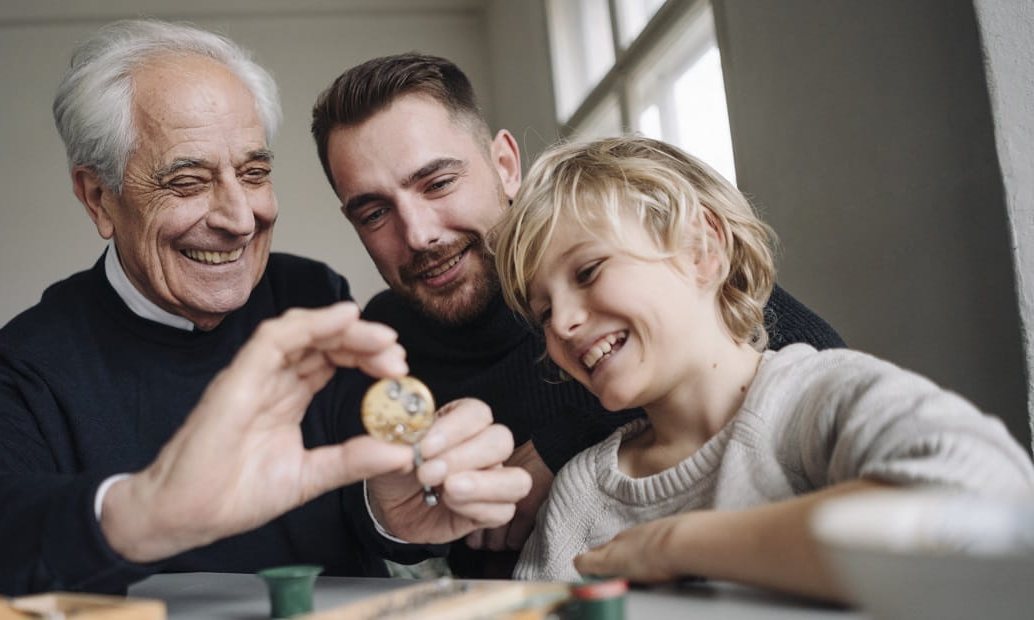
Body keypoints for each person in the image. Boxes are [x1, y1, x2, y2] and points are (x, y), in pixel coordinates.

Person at [0, 20, 531, 596]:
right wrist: (142, 512)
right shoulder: (32, 363)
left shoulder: (312, 297)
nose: (239, 219)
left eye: (253, 173)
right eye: (188, 181)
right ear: (99, 199)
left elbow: (362, 506)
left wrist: (391, 514)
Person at [310, 53, 844, 575]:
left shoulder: (598, 250)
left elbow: (796, 351)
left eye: (438, 183)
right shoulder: (379, 344)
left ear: (505, 166)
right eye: (374, 213)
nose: (418, 234)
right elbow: (357, 517)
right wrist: (392, 515)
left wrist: (560, 443)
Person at [489, 136, 1034, 600]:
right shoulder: (581, 494)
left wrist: (672, 545)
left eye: (587, 271)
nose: (562, 323)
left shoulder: (815, 401)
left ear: (702, 248)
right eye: (543, 312)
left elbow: (990, 506)